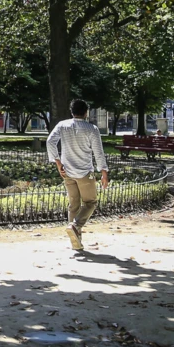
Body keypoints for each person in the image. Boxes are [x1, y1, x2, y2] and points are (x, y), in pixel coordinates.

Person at [47, 99, 110, 251]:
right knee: (90, 202)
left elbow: (50, 141)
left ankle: (76, 241)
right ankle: (75, 226)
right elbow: (98, 153)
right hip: (84, 172)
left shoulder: (62, 125)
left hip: (67, 171)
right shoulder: (92, 129)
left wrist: (58, 163)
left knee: (74, 205)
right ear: (86, 112)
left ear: (72, 111)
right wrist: (104, 173)